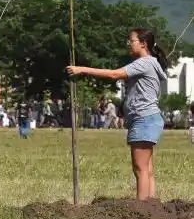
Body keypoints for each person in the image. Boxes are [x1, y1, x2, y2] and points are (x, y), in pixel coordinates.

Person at [66, 28, 168, 200]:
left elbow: (114, 74)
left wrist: (81, 69)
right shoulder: (151, 62)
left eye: (131, 41)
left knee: (140, 168)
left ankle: (142, 208)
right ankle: (151, 206)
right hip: (148, 118)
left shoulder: (144, 63)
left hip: (144, 118)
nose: (128, 44)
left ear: (143, 44)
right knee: (146, 168)